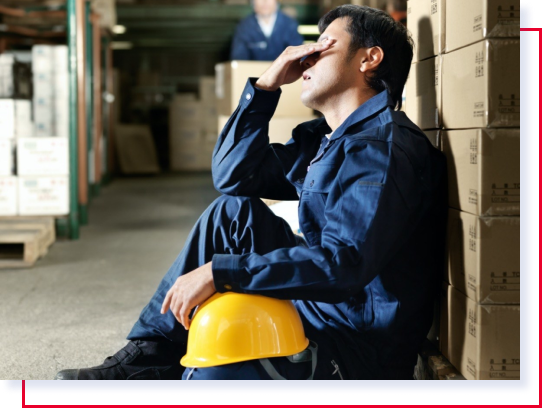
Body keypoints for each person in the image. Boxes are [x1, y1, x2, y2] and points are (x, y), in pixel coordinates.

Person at [55, 5, 447, 380]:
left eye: (323, 45)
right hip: (326, 308)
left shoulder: (381, 150)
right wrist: (265, 86)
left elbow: (342, 264)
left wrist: (220, 273)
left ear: (368, 59)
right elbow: (234, 176)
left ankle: (159, 359)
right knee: (233, 213)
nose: (306, 59)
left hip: (354, 344)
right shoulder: (333, 141)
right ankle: (153, 357)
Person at [230, 0, 304, 61]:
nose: (265, 1)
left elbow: (299, 56)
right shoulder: (244, 27)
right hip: (255, 76)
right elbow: (239, 60)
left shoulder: (289, 24)